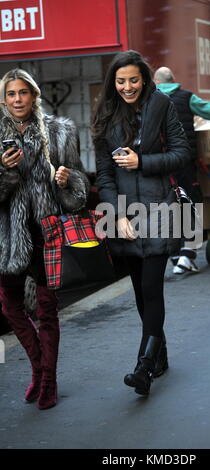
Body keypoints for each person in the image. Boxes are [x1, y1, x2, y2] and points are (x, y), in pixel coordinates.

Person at [93, 50, 190, 395]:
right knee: (139, 292)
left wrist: (142, 161)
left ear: (144, 79)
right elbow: (103, 173)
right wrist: (114, 215)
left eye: (134, 80)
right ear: (113, 82)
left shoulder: (161, 105)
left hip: (160, 208)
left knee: (151, 288)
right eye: (121, 81)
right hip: (122, 215)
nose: (127, 87)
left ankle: (144, 367)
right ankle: (159, 355)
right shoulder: (105, 113)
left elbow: (181, 153)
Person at [0, 69, 89, 409]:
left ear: (35, 95)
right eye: (12, 94)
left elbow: (77, 191)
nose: (18, 99)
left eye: (24, 92)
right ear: (4, 99)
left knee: (47, 311)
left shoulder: (60, 131)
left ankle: (49, 381)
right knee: (10, 306)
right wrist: (6, 171)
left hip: (47, 233)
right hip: (8, 238)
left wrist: (68, 180)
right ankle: (38, 369)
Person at [154, 67, 210, 273]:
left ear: (155, 82)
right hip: (183, 162)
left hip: (159, 165)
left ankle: (174, 254)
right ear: (174, 80)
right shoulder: (186, 97)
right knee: (192, 205)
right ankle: (187, 255)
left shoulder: (149, 101)